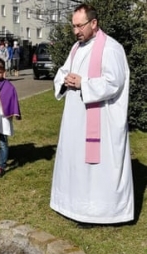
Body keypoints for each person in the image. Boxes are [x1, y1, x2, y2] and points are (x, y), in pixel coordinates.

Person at [50, 4, 134, 226]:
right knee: (76, 163)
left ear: (94, 23)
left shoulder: (111, 48)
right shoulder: (76, 48)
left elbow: (114, 83)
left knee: (96, 169)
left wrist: (83, 84)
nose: (76, 31)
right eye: (73, 26)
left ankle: (99, 213)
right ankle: (75, 206)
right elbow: (64, 70)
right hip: (76, 118)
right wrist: (65, 80)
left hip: (100, 122)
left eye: (80, 26)